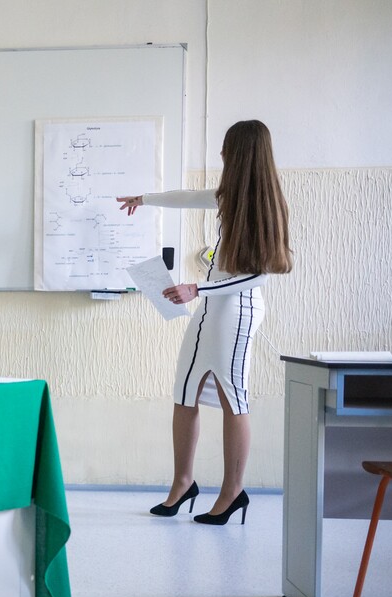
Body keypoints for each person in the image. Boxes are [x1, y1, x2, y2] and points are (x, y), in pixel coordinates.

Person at [116, 119, 292, 525]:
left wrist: (199, 290)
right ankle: (183, 483)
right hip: (211, 307)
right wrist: (144, 199)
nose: (221, 156)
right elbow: (190, 197)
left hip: (238, 308)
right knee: (184, 391)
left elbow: (264, 273)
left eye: (226, 149)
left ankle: (232, 493)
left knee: (234, 397)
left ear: (242, 154)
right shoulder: (230, 197)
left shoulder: (269, 205)